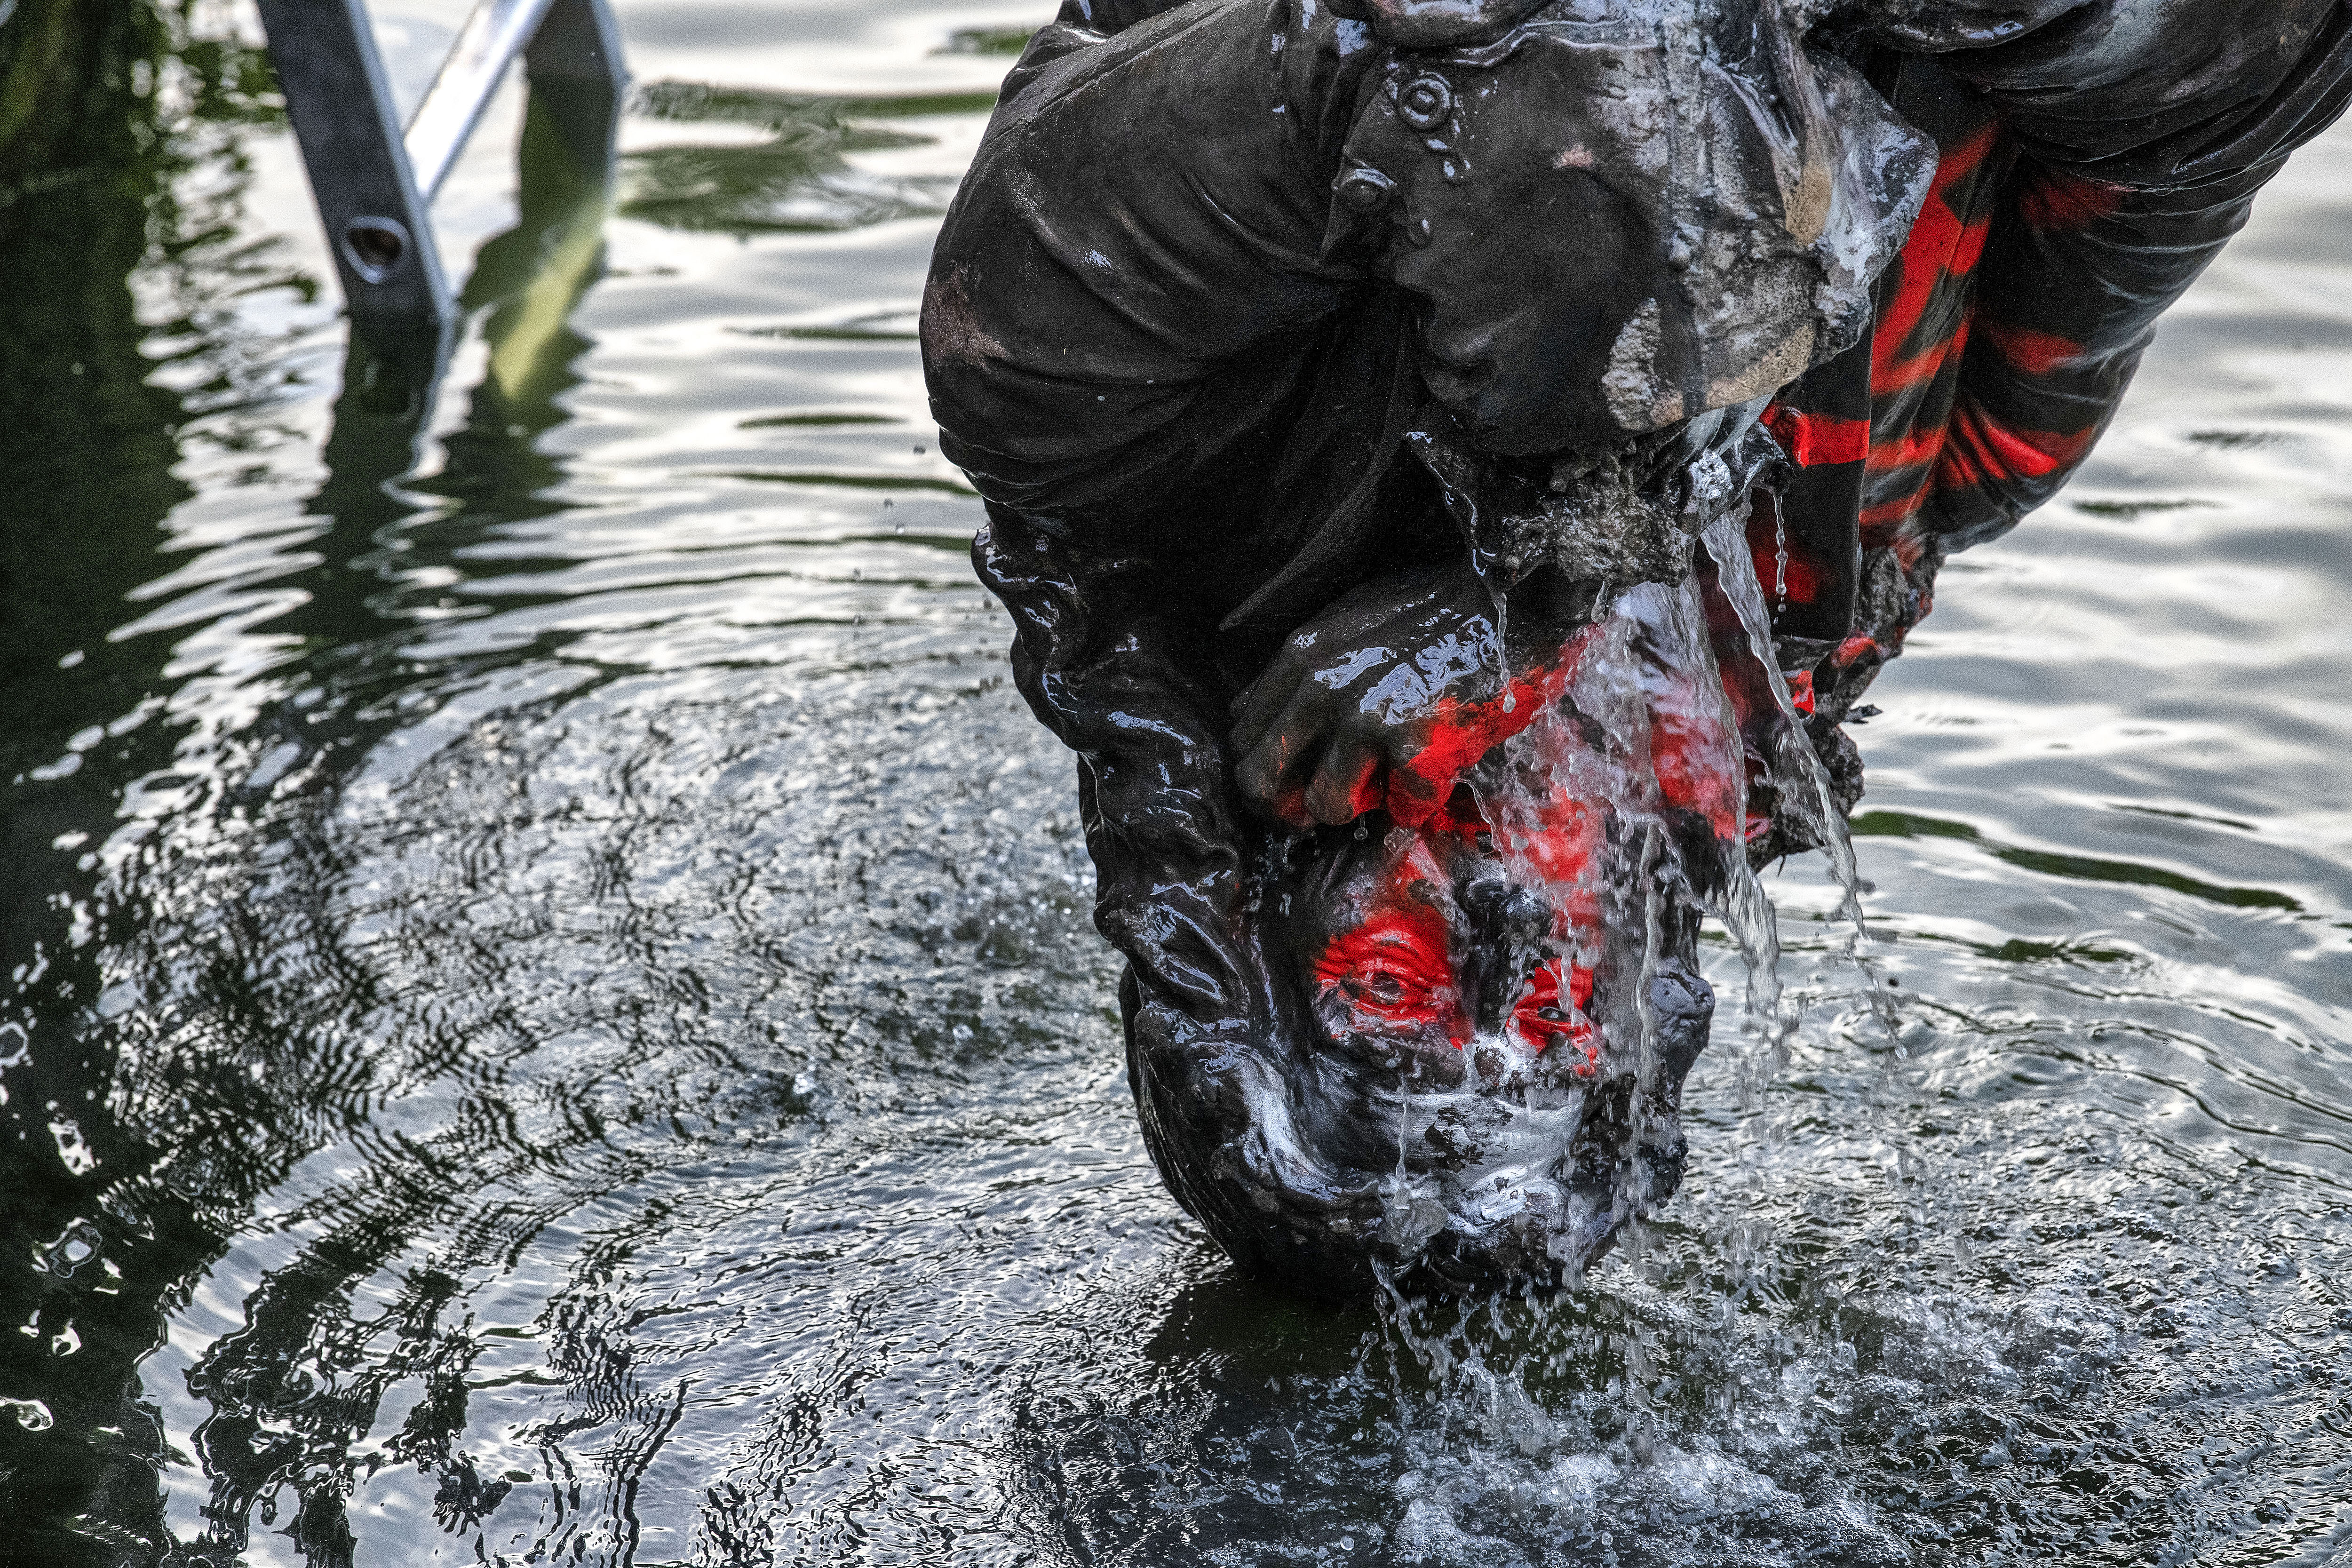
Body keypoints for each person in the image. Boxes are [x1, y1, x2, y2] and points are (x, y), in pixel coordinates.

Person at [919, 0, 2352, 1296]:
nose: (1508, 945)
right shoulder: (1903, 516)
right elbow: (2254, 65)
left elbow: (1558, 50)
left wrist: (1548, 576)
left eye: (1404, 986)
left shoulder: (1066, 389)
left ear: (1267, 878)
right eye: (1546, 1014)